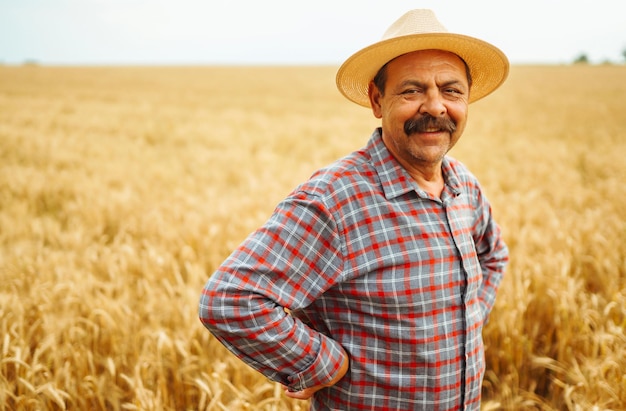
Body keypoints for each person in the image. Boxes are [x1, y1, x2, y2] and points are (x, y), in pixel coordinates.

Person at [199, 8, 509, 410]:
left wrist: (467, 319)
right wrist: (320, 364)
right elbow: (230, 300)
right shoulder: (337, 200)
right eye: (412, 90)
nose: (435, 107)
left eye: (451, 90)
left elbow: (494, 254)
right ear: (377, 100)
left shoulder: (462, 184)